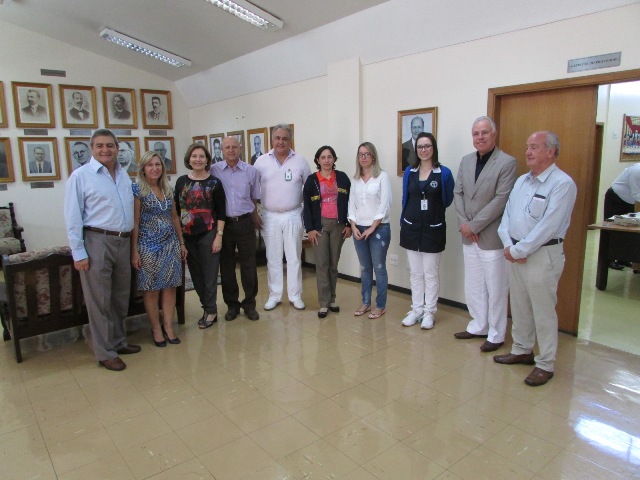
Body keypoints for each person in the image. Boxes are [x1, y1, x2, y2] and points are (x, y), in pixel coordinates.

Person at [495, 131, 577, 387]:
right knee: (519, 306)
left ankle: (545, 363)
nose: (528, 152)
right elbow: (506, 218)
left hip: (542, 255)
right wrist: (509, 245)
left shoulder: (562, 184)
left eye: (534, 147)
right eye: (527, 146)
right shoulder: (521, 181)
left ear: (551, 151)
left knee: (543, 311)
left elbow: (548, 227)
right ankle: (522, 350)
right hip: (515, 252)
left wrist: (519, 251)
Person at [64, 128, 139, 372]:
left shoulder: (124, 175)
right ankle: (105, 352)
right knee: (100, 300)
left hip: (123, 241)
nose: (105, 150)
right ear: (92, 149)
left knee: (119, 296)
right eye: (99, 146)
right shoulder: (80, 176)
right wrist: (79, 252)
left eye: (110, 145)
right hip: (97, 242)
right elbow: (73, 216)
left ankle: (118, 341)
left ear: (118, 148)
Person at [452, 117, 517, 351]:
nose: (479, 137)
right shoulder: (466, 161)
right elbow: (457, 193)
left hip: (491, 237)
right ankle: (479, 325)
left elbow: (501, 199)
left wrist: (474, 226)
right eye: (476, 133)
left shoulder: (507, 163)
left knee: (496, 287)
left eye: (484, 133)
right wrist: (464, 224)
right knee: (474, 284)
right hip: (468, 235)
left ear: (494, 134)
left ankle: (497, 334)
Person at [131, 151, 187, 347]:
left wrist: (181, 242)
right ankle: (156, 328)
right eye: (150, 165)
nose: (154, 168)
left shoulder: (167, 188)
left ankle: (169, 326)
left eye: (157, 164)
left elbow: (174, 217)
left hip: (170, 244)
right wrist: (134, 251)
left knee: (170, 287)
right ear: (143, 169)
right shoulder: (138, 190)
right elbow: (135, 223)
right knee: (151, 290)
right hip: (147, 245)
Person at [399, 133, 454, 329]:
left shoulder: (444, 173)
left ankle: (430, 312)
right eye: (420, 146)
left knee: (430, 273)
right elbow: (405, 198)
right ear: (416, 150)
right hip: (411, 227)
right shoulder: (409, 171)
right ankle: (417, 309)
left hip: (433, 228)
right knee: (415, 273)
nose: (423, 150)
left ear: (433, 148)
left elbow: (447, 200)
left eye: (427, 146)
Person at [254, 124, 311, 311]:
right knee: (273, 258)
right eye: (277, 138)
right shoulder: (261, 162)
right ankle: (275, 295)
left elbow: (309, 190)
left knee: (294, 257)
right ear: (272, 140)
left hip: (293, 214)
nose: (281, 142)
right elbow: (253, 190)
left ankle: (295, 295)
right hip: (269, 215)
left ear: (290, 140)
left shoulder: (301, 161)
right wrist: (255, 213)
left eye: (285, 138)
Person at [174, 144, 226, 328]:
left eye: (201, 156)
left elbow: (221, 212)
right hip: (188, 235)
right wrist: (180, 238)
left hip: (209, 233)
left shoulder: (214, 183)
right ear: (189, 159)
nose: (198, 159)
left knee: (209, 273)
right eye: (194, 156)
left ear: (207, 160)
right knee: (196, 274)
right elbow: (177, 211)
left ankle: (211, 311)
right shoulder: (180, 182)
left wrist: (218, 236)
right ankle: (207, 307)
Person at [211, 136, 261, 321]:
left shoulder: (251, 171)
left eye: (234, 147)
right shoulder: (214, 171)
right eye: (227, 147)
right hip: (223, 225)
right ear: (222, 150)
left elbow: (254, 198)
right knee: (227, 267)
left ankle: (250, 304)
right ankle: (232, 305)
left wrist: (255, 217)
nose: (231, 150)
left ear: (240, 148)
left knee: (249, 265)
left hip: (245, 222)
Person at [303, 145, 352, 318]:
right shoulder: (311, 180)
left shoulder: (343, 178)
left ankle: (332, 299)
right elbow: (307, 207)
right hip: (319, 227)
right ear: (317, 160)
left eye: (330, 157)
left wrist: (348, 224)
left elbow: (350, 203)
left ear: (334, 159)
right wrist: (309, 229)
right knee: (322, 264)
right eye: (323, 157)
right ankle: (323, 303)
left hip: (339, 225)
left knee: (333, 264)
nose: (326, 160)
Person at [348, 142, 392, 319]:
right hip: (359, 228)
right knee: (365, 268)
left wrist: (372, 228)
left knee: (379, 268)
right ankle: (365, 303)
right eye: (360, 154)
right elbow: (351, 205)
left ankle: (380, 306)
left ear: (373, 156)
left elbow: (385, 205)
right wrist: (353, 226)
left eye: (367, 154)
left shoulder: (382, 177)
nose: (363, 157)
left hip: (379, 229)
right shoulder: (355, 180)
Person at [604, 162, 640, 269]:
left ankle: (623, 259)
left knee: (627, 232)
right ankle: (608, 261)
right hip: (615, 198)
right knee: (611, 230)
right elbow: (637, 194)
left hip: (628, 201)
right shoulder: (636, 171)